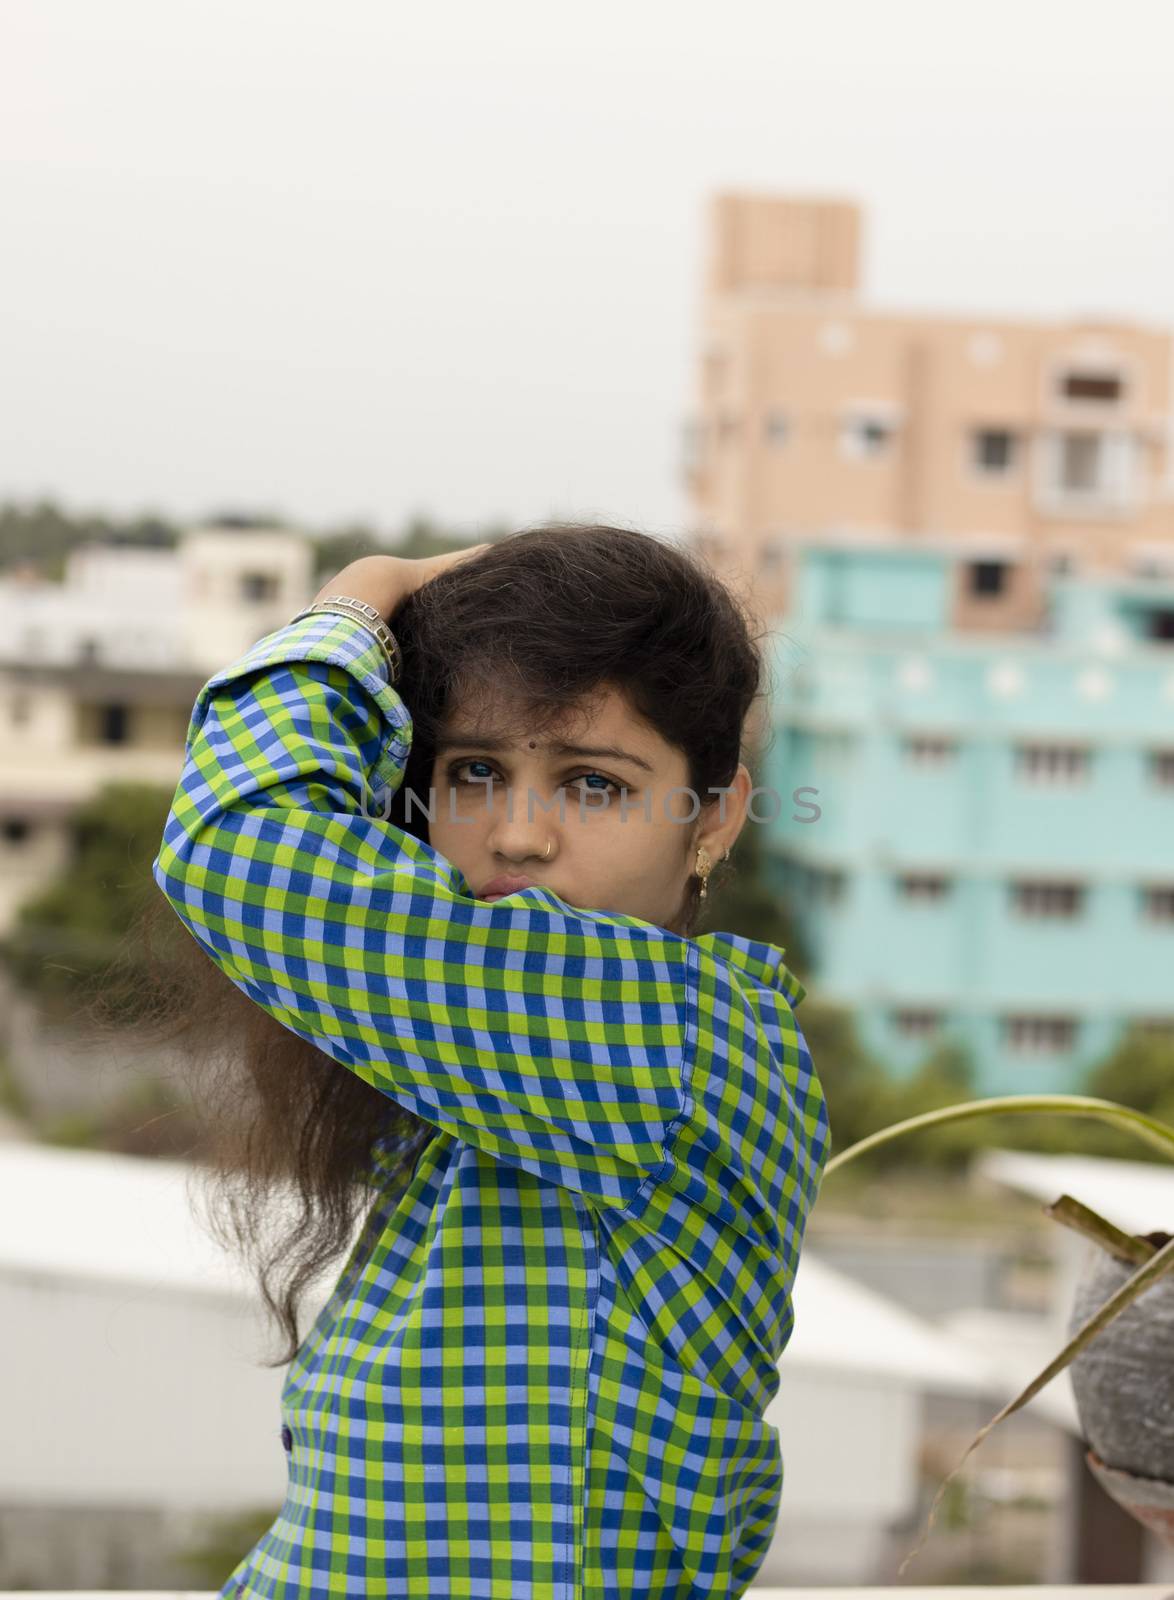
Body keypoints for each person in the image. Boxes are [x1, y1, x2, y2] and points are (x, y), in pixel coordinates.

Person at [152, 521, 830, 1600]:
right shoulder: (496, 1066)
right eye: (474, 770)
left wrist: (366, 591)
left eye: (593, 783)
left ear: (713, 818)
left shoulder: (667, 1039)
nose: (518, 835)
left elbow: (240, 843)